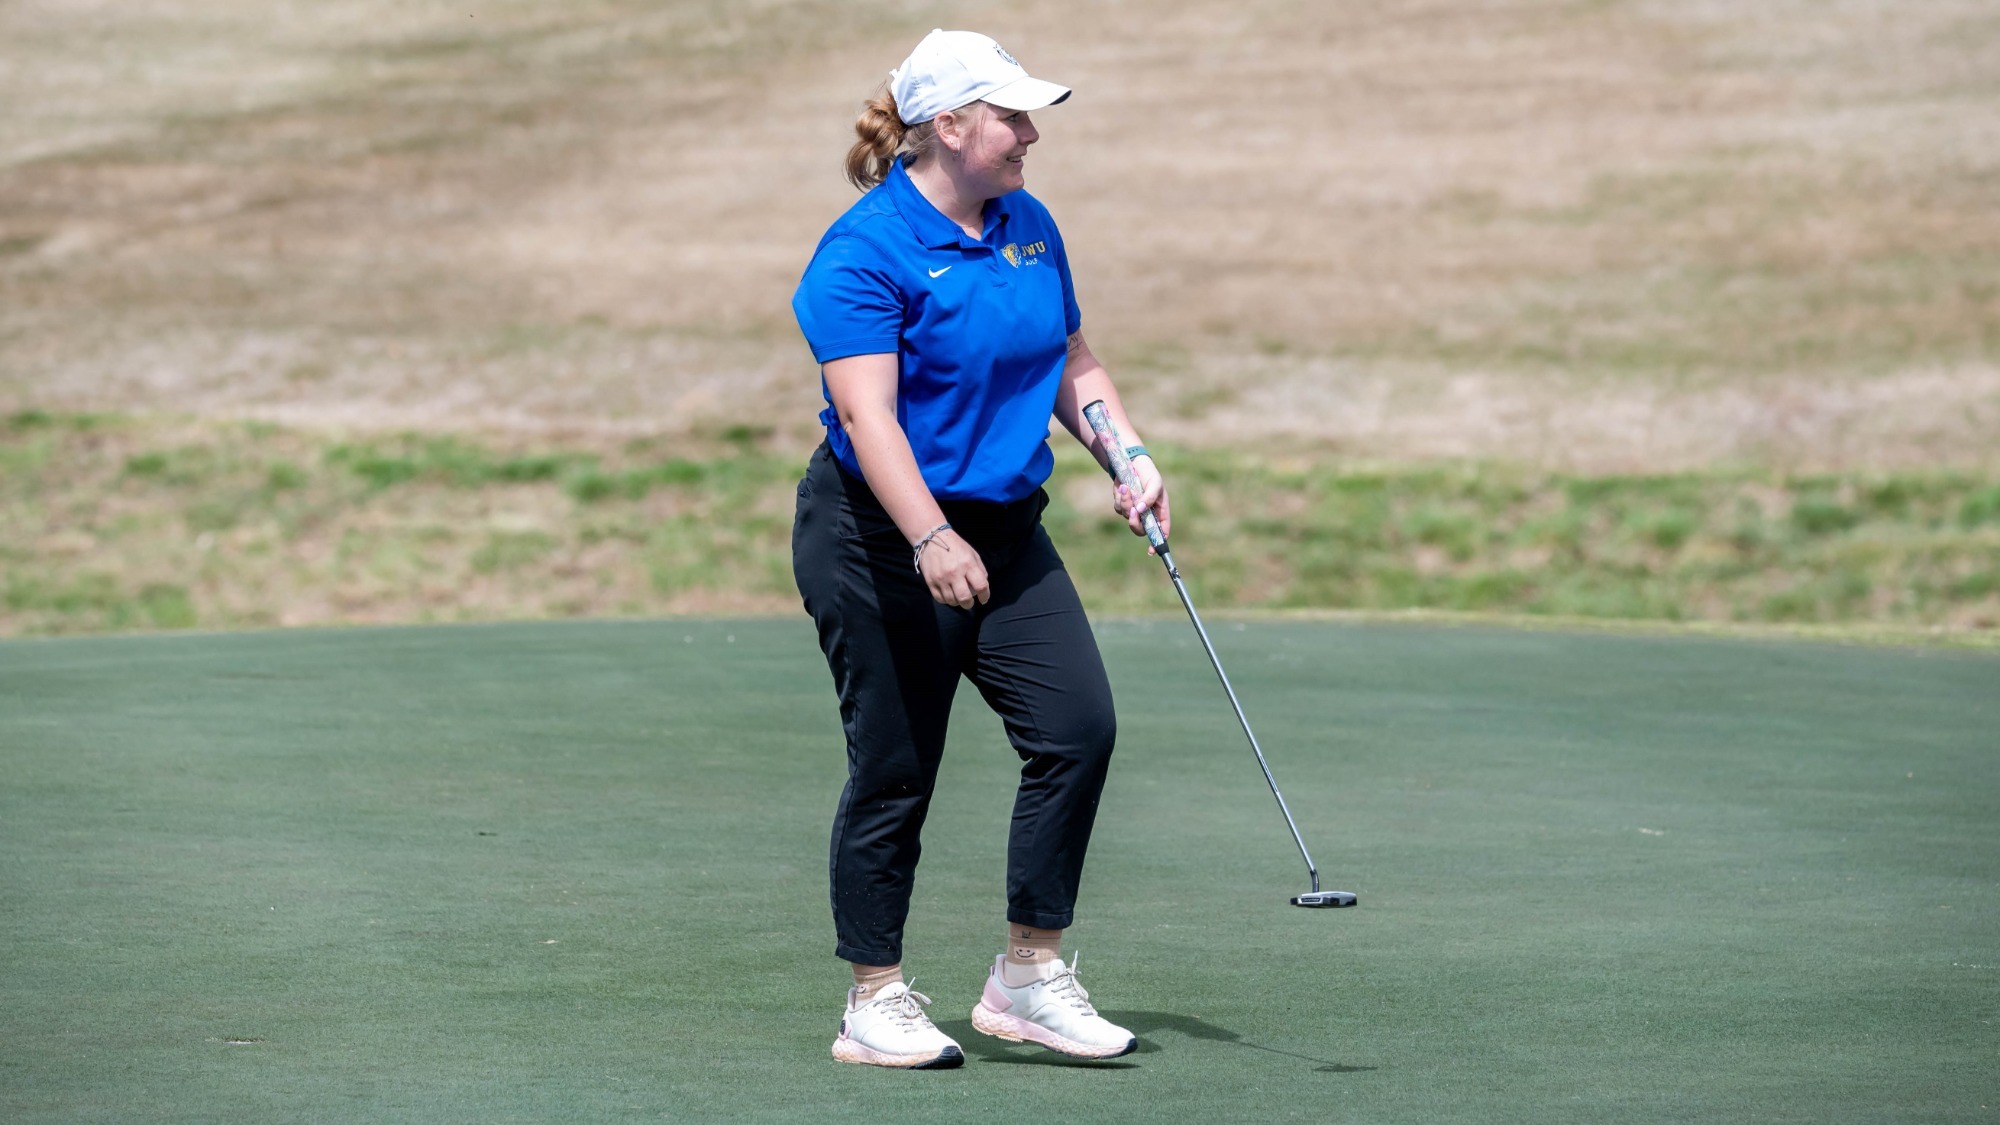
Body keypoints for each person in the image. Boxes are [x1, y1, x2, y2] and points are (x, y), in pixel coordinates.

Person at [790, 28, 1170, 1070]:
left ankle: (1027, 975)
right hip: (878, 536)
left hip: (1003, 529)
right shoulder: (863, 250)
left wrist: (1123, 453)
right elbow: (866, 420)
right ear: (947, 126)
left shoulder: (1027, 225)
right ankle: (872, 999)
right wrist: (928, 535)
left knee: (1076, 730)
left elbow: (1069, 355)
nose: (1029, 137)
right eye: (1009, 118)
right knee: (897, 766)